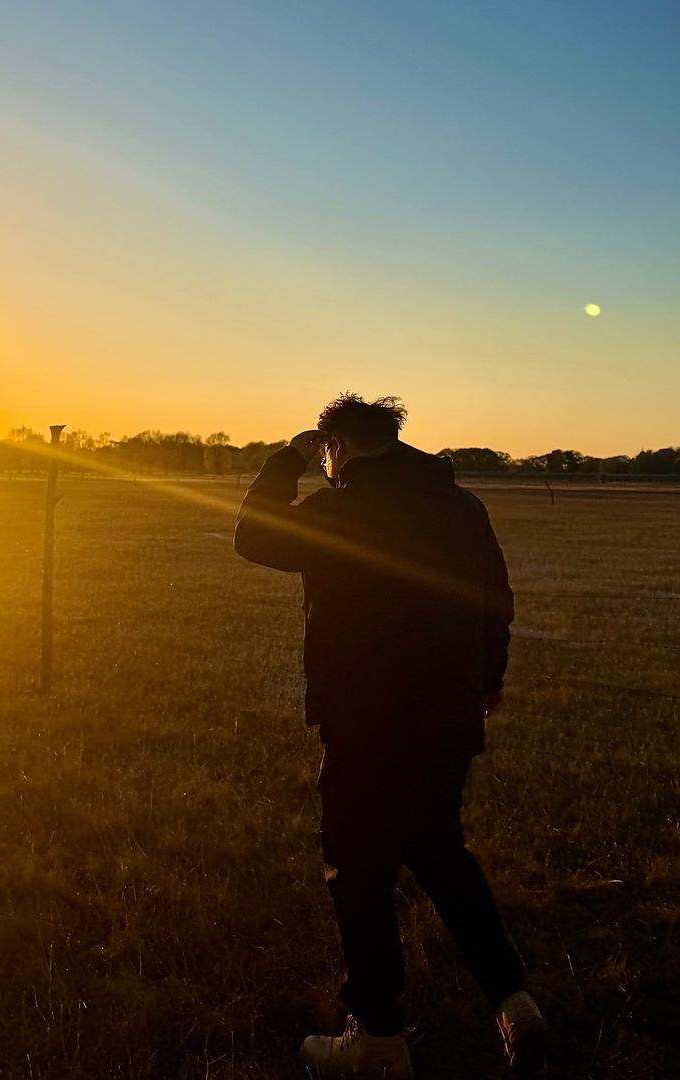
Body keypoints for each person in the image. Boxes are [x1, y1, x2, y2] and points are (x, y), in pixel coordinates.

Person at [234, 394, 546, 1078]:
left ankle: (377, 1038)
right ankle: (512, 998)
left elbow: (254, 537)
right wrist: (486, 681)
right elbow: (498, 603)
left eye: (326, 457)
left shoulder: (344, 507)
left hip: (365, 719)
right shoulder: (462, 507)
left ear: (337, 448)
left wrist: (287, 459)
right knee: (440, 850)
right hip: (450, 713)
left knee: (358, 870)